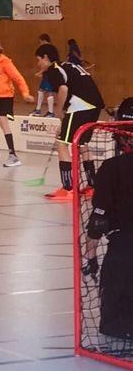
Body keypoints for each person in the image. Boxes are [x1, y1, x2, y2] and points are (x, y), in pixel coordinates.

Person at [81, 124, 133, 339]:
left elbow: (99, 220)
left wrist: (90, 255)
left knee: (116, 321)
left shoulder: (113, 167)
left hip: (124, 247)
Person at [36, 43, 105, 201]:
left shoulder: (53, 69)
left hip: (81, 105)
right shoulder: (68, 65)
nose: (39, 63)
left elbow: (64, 90)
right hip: (94, 105)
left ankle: (68, 188)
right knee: (82, 144)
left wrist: (59, 111)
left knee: (62, 142)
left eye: (39, 59)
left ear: (46, 58)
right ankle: (92, 186)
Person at [0, 38, 34, 168]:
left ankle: (13, 155)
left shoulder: (5, 63)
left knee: (4, 123)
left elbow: (18, 78)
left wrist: (25, 93)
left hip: (6, 98)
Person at [32, 34, 56, 118]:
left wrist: (40, 72)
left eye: (40, 42)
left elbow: (48, 64)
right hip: (46, 74)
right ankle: (38, 109)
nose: (40, 44)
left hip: (49, 73)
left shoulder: (49, 50)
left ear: (44, 40)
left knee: (50, 92)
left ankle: (51, 111)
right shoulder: (51, 48)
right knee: (41, 89)